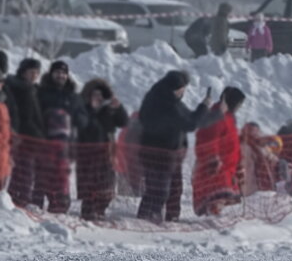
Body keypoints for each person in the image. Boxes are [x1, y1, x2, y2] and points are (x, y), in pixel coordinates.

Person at [137, 71, 216, 222]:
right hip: (161, 155)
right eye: (181, 89)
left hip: (168, 154)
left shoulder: (161, 96)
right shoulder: (167, 103)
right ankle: (147, 218)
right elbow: (190, 124)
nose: (183, 92)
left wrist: (201, 109)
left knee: (172, 189)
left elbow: (187, 116)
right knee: (159, 191)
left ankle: (168, 217)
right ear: (174, 88)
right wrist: (204, 107)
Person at [35, 60, 88, 213]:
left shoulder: (73, 96)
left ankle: (59, 207)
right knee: (40, 176)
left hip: (65, 146)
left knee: (61, 176)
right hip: (43, 143)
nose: (61, 76)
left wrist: (75, 119)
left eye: (64, 73)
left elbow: (83, 118)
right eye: (58, 72)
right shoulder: (41, 92)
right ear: (51, 74)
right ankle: (34, 207)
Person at [75, 78, 128, 220]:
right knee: (89, 187)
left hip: (107, 153)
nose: (98, 98)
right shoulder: (82, 108)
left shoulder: (108, 109)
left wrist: (118, 108)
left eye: (100, 95)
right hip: (87, 154)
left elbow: (123, 122)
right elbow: (84, 125)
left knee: (107, 187)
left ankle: (100, 210)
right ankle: (88, 213)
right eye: (94, 95)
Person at [193, 87, 245, 216]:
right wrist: (212, 158)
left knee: (225, 197)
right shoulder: (217, 115)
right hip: (217, 166)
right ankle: (213, 216)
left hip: (228, 166)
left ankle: (217, 217)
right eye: (238, 104)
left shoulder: (229, 117)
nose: (239, 107)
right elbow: (208, 138)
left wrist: (239, 163)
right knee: (217, 195)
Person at [6, 59, 44, 207]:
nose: (34, 75)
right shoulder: (18, 87)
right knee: (24, 172)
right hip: (21, 136)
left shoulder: (32, 88)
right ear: (23, 72)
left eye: (37, 72)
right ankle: (20, 201)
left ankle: (15, 201)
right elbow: (19, 114)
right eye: (31, 72)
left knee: (23, 171)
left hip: (31, 136)